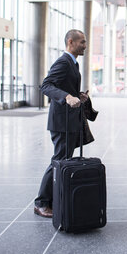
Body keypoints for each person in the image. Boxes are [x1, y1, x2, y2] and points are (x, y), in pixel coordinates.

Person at [34, 29, 88, 218]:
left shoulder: (73, 63)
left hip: (68, 120)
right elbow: (46, 85)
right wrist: (66, 97)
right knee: (58, 160)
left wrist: (77, 95)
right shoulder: (63, 62)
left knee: (62, 159)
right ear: (70, 42)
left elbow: (65, 86)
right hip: (61, 122)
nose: (85, 45)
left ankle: (51, 200)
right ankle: (41, 202)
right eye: (82, 42)